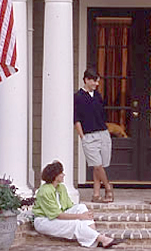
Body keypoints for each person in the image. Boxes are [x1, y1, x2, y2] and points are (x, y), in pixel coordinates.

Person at [32, 160, 123, 248]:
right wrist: (80, 216)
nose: (64, 175)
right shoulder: (45, 191)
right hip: (44, 221)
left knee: (81, 207)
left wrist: (85, 215)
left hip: (58, 215)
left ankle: (95, 238)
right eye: (61, 173)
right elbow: (57, 215)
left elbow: (70, 206)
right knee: (76, 223)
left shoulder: (61, 187)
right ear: (55, 176)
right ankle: (102, 239)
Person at [74, 68, 114, 203]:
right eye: (94, 81)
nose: (97, 84)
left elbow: (102, 115)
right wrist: (82, 137)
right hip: (89, 136)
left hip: (103, 134)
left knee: (100, 165)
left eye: (97, 81)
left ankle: (96, 194)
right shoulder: (78, 97)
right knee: (97, 165)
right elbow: (76, 119)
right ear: (86, 80)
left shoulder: (98, 96)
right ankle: (108, 187)